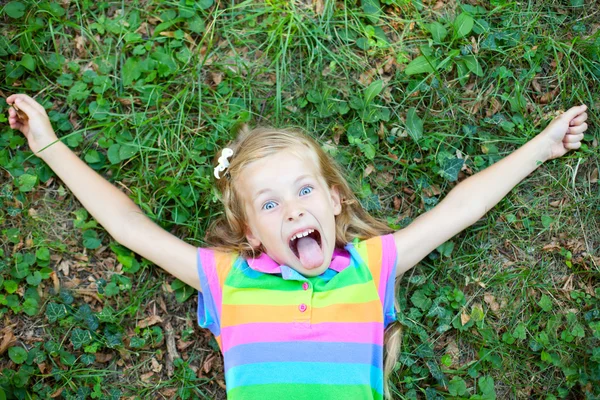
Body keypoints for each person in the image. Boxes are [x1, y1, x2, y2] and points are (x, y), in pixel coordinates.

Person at [5, 93, 588, 399]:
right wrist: (49, 146)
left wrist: (541, 147)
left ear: (335, 200)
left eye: (305, 190)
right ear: (251, 236)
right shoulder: (228, 279)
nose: (293, 209)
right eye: (269, 204)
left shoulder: (372, 263)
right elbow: (130, 228)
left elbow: (459, 208)